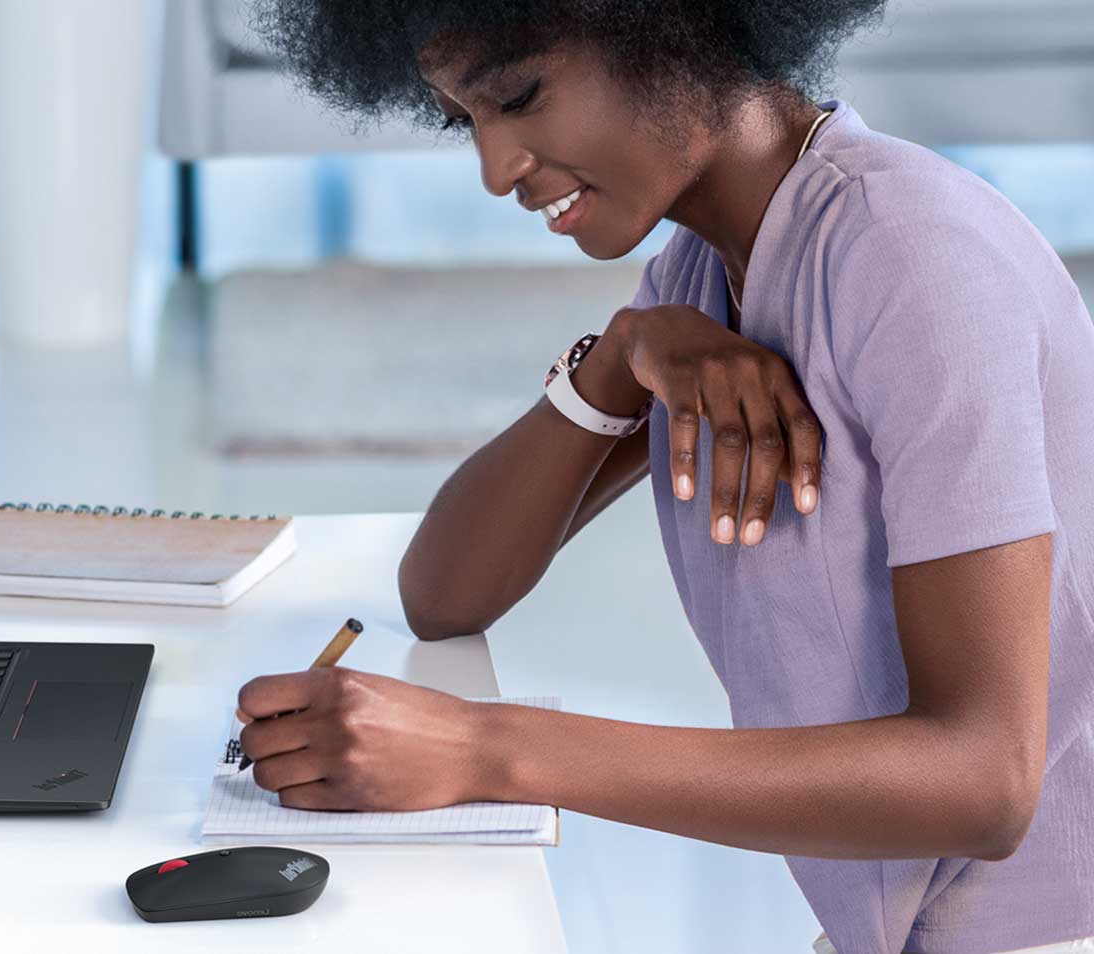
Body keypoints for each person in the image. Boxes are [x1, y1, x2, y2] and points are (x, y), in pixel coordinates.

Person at [231, 3, 1094, 952]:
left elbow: (984, 784)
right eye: (464, 119)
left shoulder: (914, 260)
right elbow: (442, 594)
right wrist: (620, 353)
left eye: (520, 97)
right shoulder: (698, 274)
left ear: (669, 29)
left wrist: (487, 749)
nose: (495, 169)